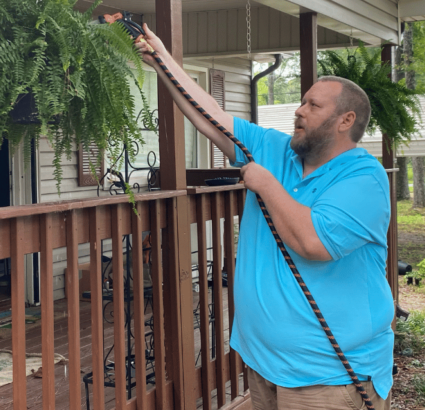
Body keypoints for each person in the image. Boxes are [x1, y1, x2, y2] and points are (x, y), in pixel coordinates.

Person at [135, 24, 394, 410]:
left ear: (345, 121)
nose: (299, 110)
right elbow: (211, 117)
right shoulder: (274, 148)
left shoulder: (364, 178)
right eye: (302, 101)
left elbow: (313, 242)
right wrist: (162, 60)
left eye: (313, 106)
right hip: (262, 364)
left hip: (330, 378)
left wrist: (266, 184)